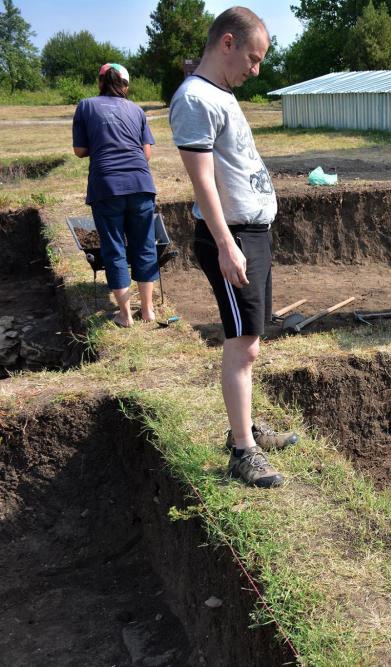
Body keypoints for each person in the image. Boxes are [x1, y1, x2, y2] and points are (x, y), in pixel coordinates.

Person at [169, 7, 297, 488]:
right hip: (233, 238)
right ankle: (242, 451)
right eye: (253, 57)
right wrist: (226, 244)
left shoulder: (219, 93)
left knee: (251, 343)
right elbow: (201, 182)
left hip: (251, 234)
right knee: (242, 345)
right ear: (227, 43)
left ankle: (245, 428)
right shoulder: (195, 98)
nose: (255, 69)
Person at [72, 63, 158, 327]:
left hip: (107, 187)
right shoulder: (137, 110)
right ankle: (148, 311)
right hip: (141, 185)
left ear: (100, 83)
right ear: (126, 85)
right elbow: (146, 153)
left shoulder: (86, 106)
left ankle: (125, 315)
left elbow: (79, 150)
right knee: (144, 245)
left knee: (114, 248)